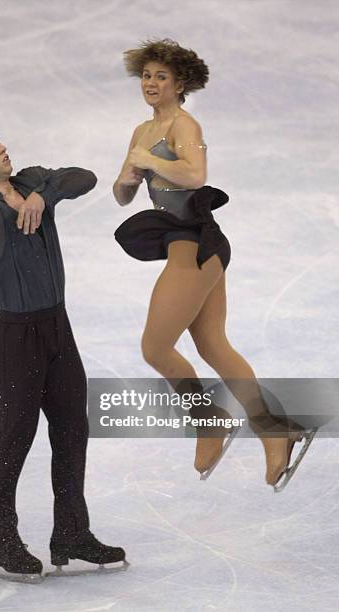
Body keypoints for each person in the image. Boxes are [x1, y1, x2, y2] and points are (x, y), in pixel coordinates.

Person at [113, 38, 313, 490]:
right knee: (212, 345)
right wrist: (126, 180)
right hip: (185, 242)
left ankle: (210, 419)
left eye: (160, 76)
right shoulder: (142, 132)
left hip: (196, 244)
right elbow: (123, 193)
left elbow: (196, 175)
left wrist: (146, 162)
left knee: (155, 348)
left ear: (179, 82)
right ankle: (271, 427)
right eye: (146, 75)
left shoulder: (185, 125)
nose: (150, 83)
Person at [0, 116, 127, 582]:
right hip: (16, 339)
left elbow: (81, 177)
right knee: (16, 440)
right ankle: (1, 542)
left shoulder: (28, 181)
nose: (1, 148)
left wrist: (44, 196)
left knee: (72, 430)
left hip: (58, 330)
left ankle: (71, 533)